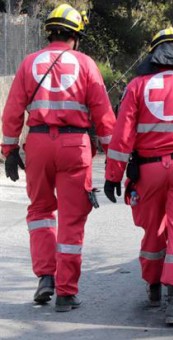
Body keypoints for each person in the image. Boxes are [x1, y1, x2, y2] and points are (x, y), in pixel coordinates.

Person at [1, 4, 116, 312]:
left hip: (37, 143)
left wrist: (9, 150)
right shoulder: (86, 64)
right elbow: (104, 117)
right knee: (71, 217)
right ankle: (66, 292)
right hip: (73, 146)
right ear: (75, 36)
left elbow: (12, 111)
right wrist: (117, 162)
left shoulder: (29, 63)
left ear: (48, 32)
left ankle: (45, 277)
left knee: (39, 211)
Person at [104, 27, 173, 326]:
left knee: (153, 231)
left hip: (148, 171)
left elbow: (122, 135)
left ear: (153, 54)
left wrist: (113, 176)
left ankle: (154, 288)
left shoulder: (137, 85)